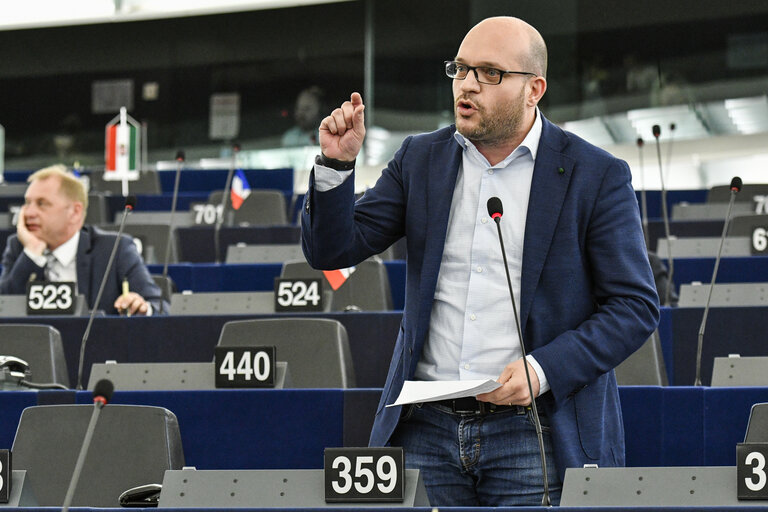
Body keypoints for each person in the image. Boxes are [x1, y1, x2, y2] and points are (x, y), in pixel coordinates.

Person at [301, 16, 659, 507]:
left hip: (535, 433)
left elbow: (633, 306)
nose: (467, 84)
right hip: (424, 427)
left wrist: (541, 369)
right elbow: (332, 251)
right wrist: (337, 165)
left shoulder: (595, 175)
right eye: (461, 69)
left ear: (534, 89)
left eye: (489, 73)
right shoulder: (420, 159)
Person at [0, 165, 166, 315]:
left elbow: (160, 307)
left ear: (75, 212)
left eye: (42, 204)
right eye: (27, 203)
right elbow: (3, 309)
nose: (29, 213)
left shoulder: (114, 249)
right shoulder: (20, 247)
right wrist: (33, 253)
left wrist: (142, 308)